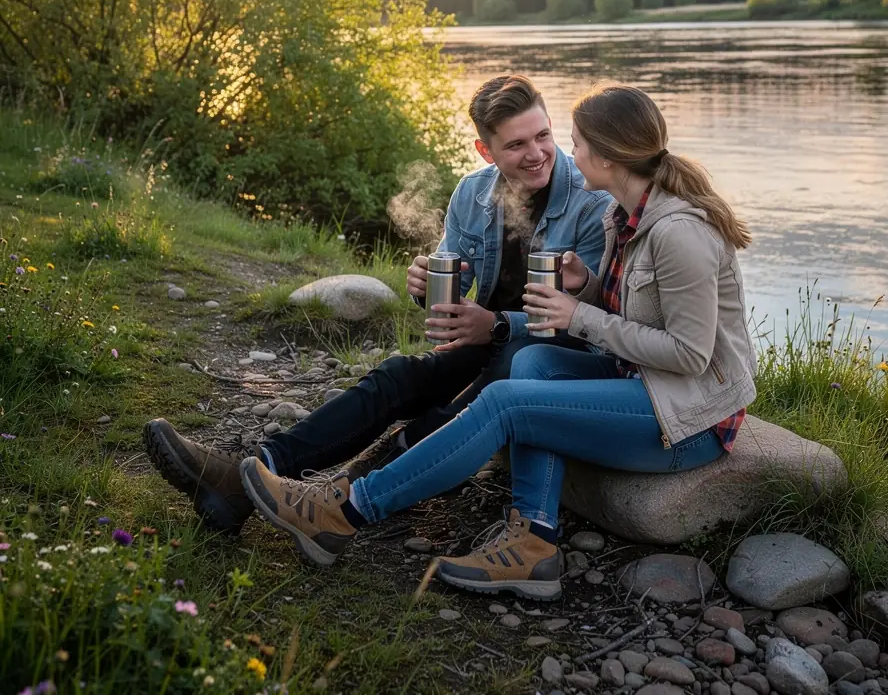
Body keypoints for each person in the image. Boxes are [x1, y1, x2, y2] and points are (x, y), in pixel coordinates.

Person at [237, 84, 758, 600]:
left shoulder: (677, 231)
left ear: (606, 155)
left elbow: (690, 355)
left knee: (507, 399)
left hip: (688, 420)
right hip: (639, 383)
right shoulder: (619, 215)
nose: (565, 153)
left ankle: (346, 512)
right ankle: (533, 542)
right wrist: (588, 286)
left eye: (572, 142)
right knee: (531, 365)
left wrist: (579, 315)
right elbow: (634, 310)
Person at [143, 75, 611, 535]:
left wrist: (498, 325)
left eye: (543, 135)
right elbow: (455, 280)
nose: (537, 153)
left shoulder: (591, 202)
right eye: (516, 145)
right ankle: (263, 464)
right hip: (487, 341)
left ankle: (323, 497)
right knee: (397, 377)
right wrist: (424, 286)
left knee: (482, 387)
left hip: (549, 353)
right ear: (485, 151)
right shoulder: (473, 193)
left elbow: (585, 320)